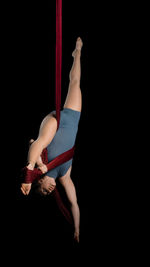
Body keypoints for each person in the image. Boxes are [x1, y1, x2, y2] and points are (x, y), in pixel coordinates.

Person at [21, 37, 83, 243]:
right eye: (48, 195)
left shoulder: (43, 163)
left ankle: (77, 51)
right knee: (75, 82)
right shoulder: (64, 176)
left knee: (40, 142)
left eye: (43, 191)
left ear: (39, 182)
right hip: (72, 118)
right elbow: (73, 203)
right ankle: (77, 53)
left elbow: (34, 144)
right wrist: (76, 229)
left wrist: (33, 169)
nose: (48, 192)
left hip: (54, 123)